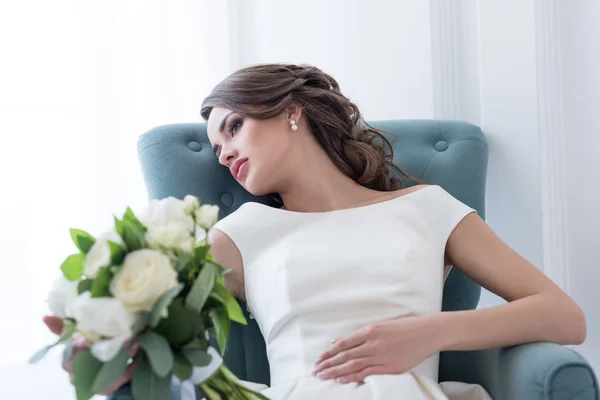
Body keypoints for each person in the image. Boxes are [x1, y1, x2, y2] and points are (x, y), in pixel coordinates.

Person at [44, 63, 586, 400]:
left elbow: (564, 315)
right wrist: (92, 339)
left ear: (291, 113)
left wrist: (428, 333)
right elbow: (149, 322)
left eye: (234, 126)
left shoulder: (426, 208)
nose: (226, 150)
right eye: (215, 146)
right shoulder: (241, 232)